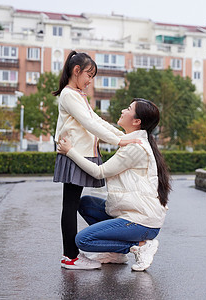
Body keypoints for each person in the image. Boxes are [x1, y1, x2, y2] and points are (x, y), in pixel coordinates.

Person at [57, 98, 171, 271]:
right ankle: (115, 253)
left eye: (128, 108)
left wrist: (70, 151)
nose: (123, 111)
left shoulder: (136, 148)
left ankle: (138, 246)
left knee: (83, 240)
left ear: (136, 121)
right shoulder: (132, 140)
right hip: (133, 214)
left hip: (141, 222)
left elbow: (99, 172)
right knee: (86, 204)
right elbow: (102, 127)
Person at [53, 51, 138, 270]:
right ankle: (70, 256)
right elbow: (90, 125)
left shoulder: (78, 95)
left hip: (79, 154)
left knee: (71, 205)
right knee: (70, 206)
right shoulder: (69, 95)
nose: (90, 81)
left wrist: (122, 136)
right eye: (89, 75)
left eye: (93, 76)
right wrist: (118, 142)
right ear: (76, 71)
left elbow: (96, 120)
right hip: (74, 154)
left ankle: (71, 255)